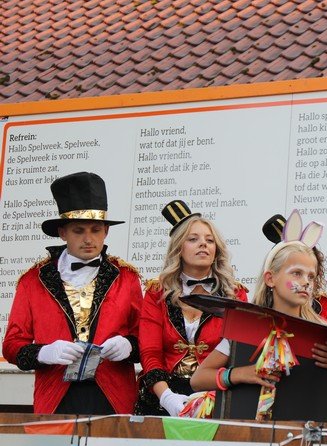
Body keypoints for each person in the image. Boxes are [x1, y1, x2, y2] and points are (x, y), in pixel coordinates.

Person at [191, 225, 327, 421]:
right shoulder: (246, 329)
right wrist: (239, 374)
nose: (306, 282)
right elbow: (198, 380)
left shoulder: (323, 333)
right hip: (250, 434)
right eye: (296, 273)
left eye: (311, 276)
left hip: (304, 436)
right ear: (270, 278)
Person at [3, 172, 142, 414]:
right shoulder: (32, 281)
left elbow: (147, 339)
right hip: (55, 396)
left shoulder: (127, 278)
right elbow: (12, 346)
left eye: (96, 230)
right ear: (62, 232)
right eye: (79, 231)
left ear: (106, 232)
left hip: (115, 397)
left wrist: (129, 346)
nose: (89, 239)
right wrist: (44, 352)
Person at [134, 200, 248, 416]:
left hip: (215, 395)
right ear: (179, 248)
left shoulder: (235, 294)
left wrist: (209, 396)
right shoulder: (157, 292)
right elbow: (150, 352)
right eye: (193, 239)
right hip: (163, 395)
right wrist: (166, 397)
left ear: (216, 250)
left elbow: (236, 355)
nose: (203, 244)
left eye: (209, 240)